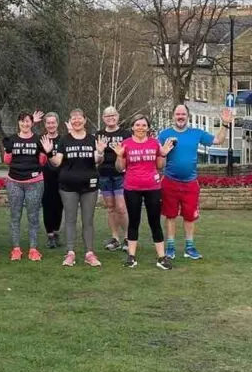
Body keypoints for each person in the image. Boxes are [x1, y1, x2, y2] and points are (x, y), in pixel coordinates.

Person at [157, 104, 232, 260]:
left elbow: (218, 140)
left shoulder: (196, 133)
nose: (180, 117)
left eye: (183, 114)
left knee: (189, 216)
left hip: (190, 183)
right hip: (170, 182)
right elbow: (159, 162)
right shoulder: (164, 134)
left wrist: (225, 124)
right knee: (170, 216)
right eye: (177, 114)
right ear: (173, 116)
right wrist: (163, 154)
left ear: (188, 116)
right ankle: (170, 248)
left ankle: (189, 248)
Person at [42, 109, 105, 267]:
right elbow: (57, 162)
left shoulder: (92, 139)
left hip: (89, 185)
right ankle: (70, 253)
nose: (77, 121)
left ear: (85, 120)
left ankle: (89, 253)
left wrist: (100, 152)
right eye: (73, 119)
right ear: (70, 121)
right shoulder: (65, 140)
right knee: (70, 220)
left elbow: (98, 161)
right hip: (68, 186)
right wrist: (49, 153)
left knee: (88, 221)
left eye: (79, 118)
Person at [112, 115, 175, 270]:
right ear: (132, 127)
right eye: (137, 125)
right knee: (134, 222)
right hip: (132, 188)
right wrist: (120, 156)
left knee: (155, 222)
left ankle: (161, 257)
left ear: (148, 128)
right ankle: (131, 257)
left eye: (144, 125)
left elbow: (160, 166)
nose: (140, 128)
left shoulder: (154, 143)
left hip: (153, 188)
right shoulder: (125, 144)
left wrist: (164, 154)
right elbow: (120, 168)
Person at [4, 112, 47, 262]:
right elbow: (7, 160)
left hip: (34, 182)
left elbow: (42, 161)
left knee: (33, 217)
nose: (25, 124)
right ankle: (16, 249)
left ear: (32, 123)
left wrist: (46, 151)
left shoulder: (38, 140)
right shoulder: (12, 139)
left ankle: (33, 249)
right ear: (18, 123)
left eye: (28, 121)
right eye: (22, 121)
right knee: (15, 217)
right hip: (14, 182)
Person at [96, 106, 131, 252]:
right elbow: (98, 159)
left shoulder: (125, 134)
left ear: (118, 116)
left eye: (113, 115)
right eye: (107, 115)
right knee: (110, 208)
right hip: (104, 174)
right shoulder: (99, 134)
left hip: (121, 175)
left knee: (121, 208)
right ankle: (115, 238)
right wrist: (100, 152)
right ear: (103, 118)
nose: (110, 117)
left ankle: (128, 237)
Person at [41, 112, 64, 248]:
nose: (51, 125)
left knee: (59, 207)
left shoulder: (63, 140)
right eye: (48, 123)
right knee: (48, 207)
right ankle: (50, 235)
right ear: (45, 124)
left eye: (53, 122)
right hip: (45, 178)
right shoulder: (41, 140)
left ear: (57, 123)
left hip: (61, 178)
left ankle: (56, 233)